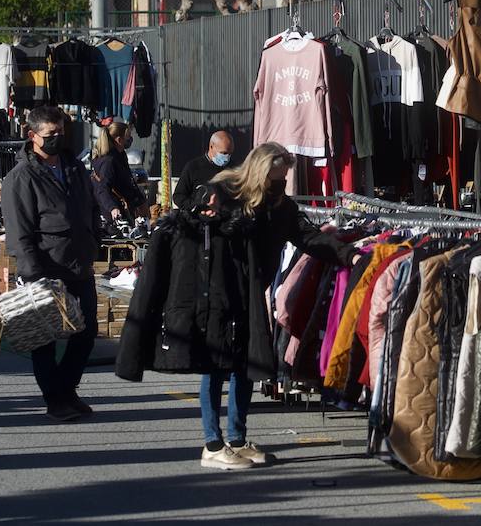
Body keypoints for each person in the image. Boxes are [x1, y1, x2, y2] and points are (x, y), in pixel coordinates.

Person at [119, 142, 357, 471]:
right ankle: (212, 444)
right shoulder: (227, 190)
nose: (283, 179)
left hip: (251, 293)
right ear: (262, 170)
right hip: (217, 290)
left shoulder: (281, 206)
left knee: (247, 366)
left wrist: (350, 254)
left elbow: (309, 237)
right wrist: (207, 204)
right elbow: (193, 213)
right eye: (279, 173)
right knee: (214, 366)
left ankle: (236, 438)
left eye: (285, 174)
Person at [2, 105, 101, 423]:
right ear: (32, 136)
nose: (57, 138)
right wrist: (34, 275)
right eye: (50, 134)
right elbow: (20, 233)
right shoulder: (20, 178)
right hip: (44, 268)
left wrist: (94, 243)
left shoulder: (75, 168)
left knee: (85, 332)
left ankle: (67, 389)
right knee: (43, 339)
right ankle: (55, 399)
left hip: (79, 265)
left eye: (61, 132)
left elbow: (90, 209)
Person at [91, 122, 146, 235]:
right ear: (119, 140)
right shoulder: (108, 161)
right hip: (113, 213)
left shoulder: (120, 156)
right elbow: (103, 188)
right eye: (128, 137)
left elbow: (128, 181)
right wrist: (113, 208)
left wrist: (140, 201)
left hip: (124, 207)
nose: (130, 139)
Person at [173, 130, 234, 211]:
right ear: (211, 147)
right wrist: (198, 208)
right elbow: (179, 196)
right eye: (223, 153)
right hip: (198, 220)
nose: (227, 158)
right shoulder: (193, 167)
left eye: (230, 153)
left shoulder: (233, 169)